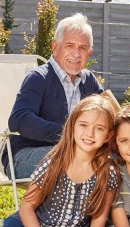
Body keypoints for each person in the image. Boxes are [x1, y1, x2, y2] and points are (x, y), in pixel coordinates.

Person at [0, 94, 118, 227]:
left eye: (99, 128)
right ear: (72, 126)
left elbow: (99, 218)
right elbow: (27, 206)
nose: (90, 133)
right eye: (83, 125)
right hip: (32, 224)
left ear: (109, 135)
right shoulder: (55, 162)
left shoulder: (107, 172)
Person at [2, 12, 104, 180]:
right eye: (69, 45)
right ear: (55, 47)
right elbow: (19, 119)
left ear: (89, 53)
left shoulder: (89, 81)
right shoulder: (39, 77)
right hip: (24, 154)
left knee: (116, 159)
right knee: (76, 161)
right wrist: (70, 134)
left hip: (78, 154)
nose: (76, 54)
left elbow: (112, 114)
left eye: (82, 48)